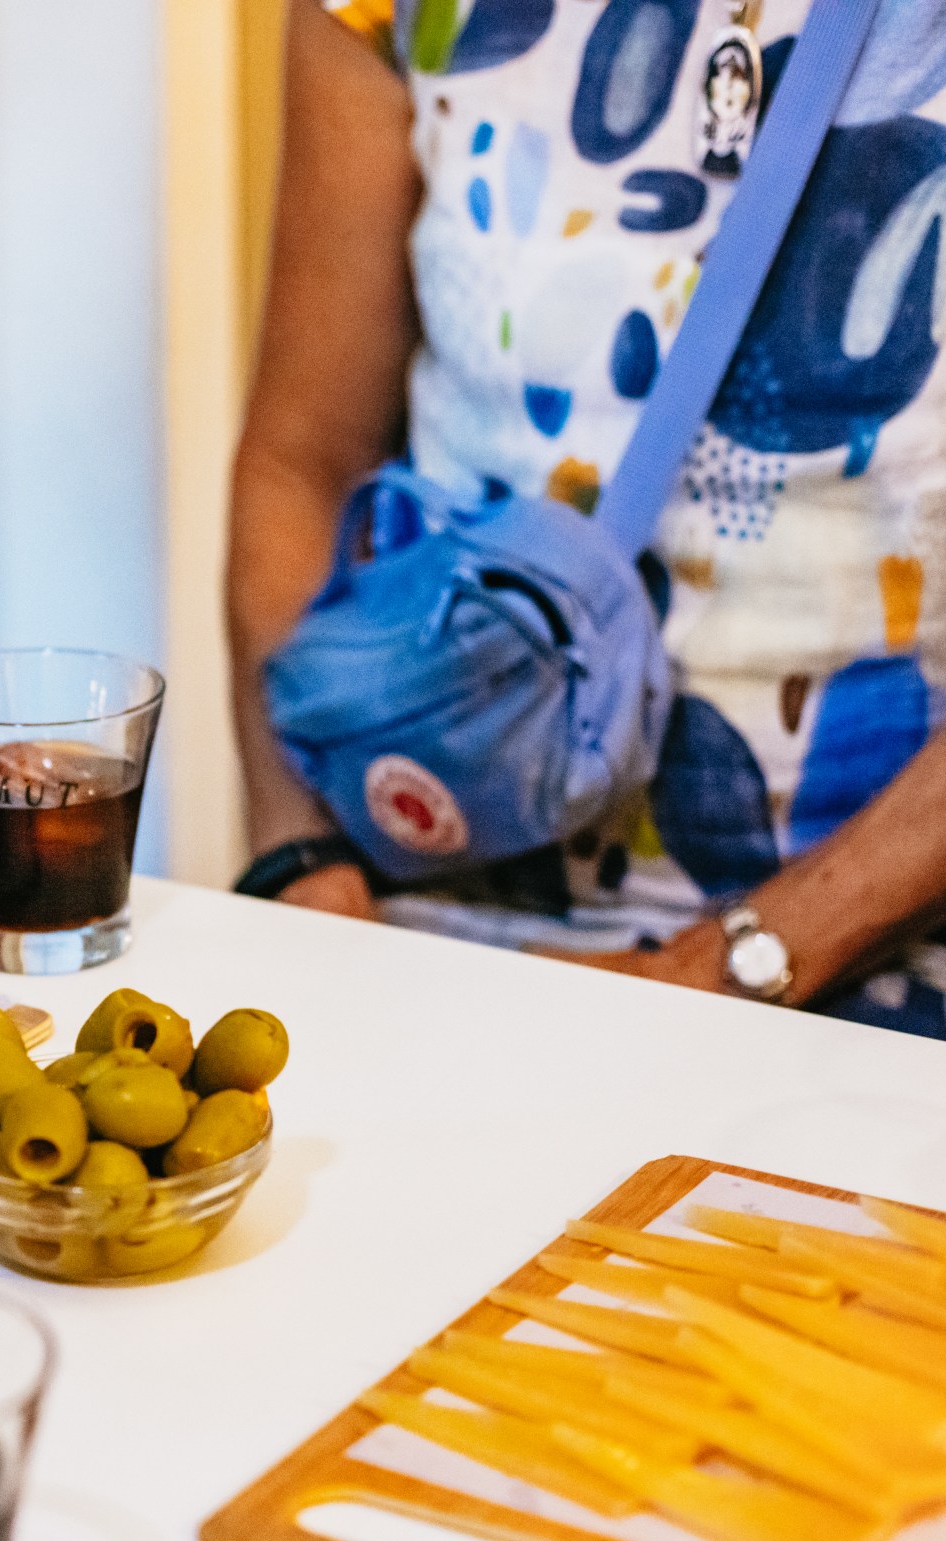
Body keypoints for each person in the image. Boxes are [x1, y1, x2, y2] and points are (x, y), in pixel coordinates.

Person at [230, 0, 946, 1037]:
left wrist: (725, 968)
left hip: (881, 983)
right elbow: (302, 464)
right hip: (437, 932)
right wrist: (306, 867)